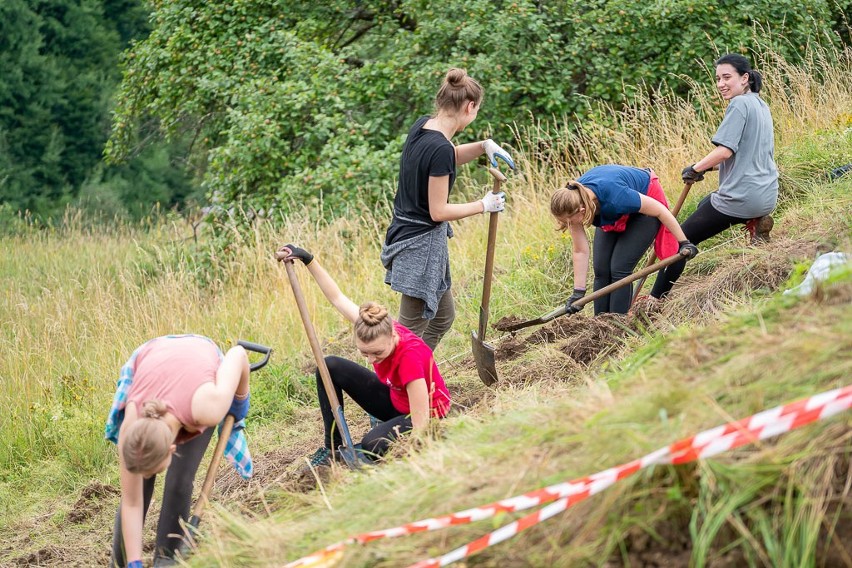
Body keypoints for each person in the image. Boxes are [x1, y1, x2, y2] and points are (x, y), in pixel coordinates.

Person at [276, 244, 452, 467]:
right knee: (329, 365)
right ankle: (333, 448)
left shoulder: (410, 357)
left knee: (372, 445)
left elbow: (421, 424)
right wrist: (308, 259)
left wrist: (416, 452)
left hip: (427, 414)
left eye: (377, 353)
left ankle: (382, 433)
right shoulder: (374, 326)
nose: (370, 360)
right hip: (396, 400)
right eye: (364, 353)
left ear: (392, 336)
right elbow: (337, 298)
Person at [380, 67, 515, 351]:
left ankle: (418, 372)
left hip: (411, 235)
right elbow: (438, 211)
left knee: (442, 318)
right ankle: (395, 386)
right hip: (418, 247)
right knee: (406, 334)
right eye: (477, 109)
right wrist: (483, 205)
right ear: (469, 106)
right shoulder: (439, 147)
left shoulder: (423, 127)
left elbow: (445, 157)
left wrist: (482, 146)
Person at [105, 335, 251, 567]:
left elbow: (239, 353)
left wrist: (240, 398)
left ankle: (167, 559)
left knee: (179, 479)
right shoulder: (130, 430)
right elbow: (132, 502)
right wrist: (134, 562)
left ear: (173, 449)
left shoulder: (208, 406)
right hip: (154, 357)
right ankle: (119, 562)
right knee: (137, 487)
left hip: (197, 358)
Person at [650, 53, 779, 301]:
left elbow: (725, 151)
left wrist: (695, 169)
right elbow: (743, 153)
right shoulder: (759, 104)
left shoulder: (739, 104)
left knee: (679, 241)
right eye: (717, 78)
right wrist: (704, 167)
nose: (720, 84)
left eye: (726, 77)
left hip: (743, 197)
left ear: (744, 78)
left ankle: (655, 299)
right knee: (705, 203)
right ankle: (756, 225)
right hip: (767, 194)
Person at [550, 165, 698, 315]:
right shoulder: (573, 202)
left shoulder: (616, 197)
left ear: (582, 211)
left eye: (569, 222)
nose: (568, 225)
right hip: (612, 205)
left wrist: (683, 242)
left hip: (646, 202)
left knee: (619, 268)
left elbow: (660, 210)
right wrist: (578, 292)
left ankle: (618, 325)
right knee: (601, 271)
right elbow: (580, 251)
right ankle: (599, 324)